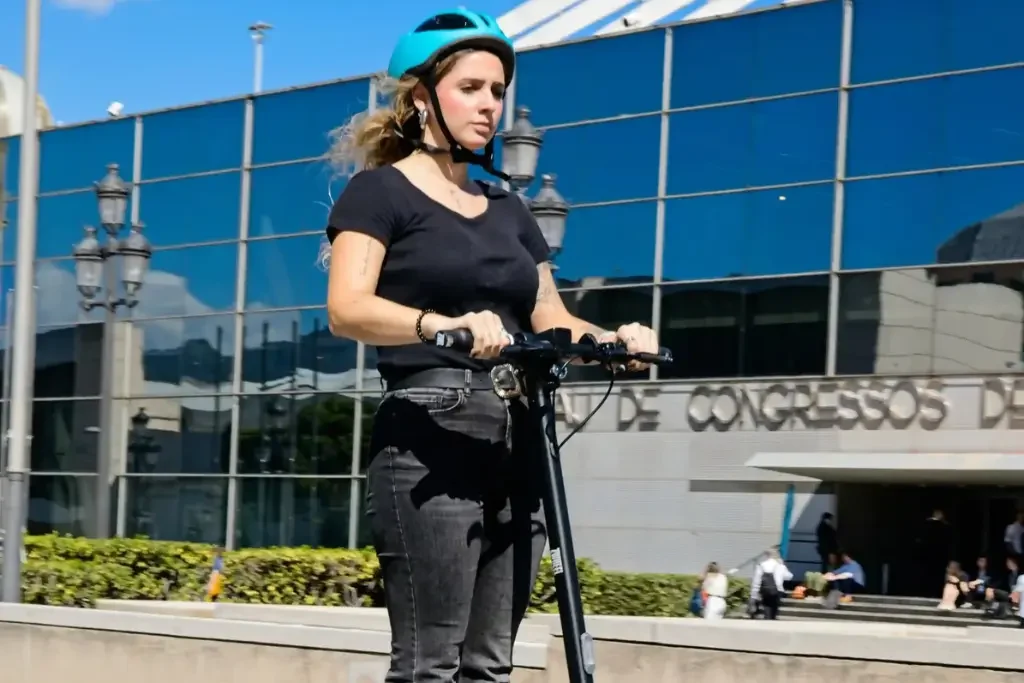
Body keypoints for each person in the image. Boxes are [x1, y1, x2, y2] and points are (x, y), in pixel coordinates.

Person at [321, 9, 660, 682]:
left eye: (497, 90)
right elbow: (347, 307)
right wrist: (438, 325)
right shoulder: (379, 192)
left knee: (489, 665)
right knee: (430, 664)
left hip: (520, 434)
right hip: (429, 434)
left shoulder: (508, 206)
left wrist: (613, 338)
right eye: (471, 87)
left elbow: (549, 314)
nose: (490, 105)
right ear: (423, 98)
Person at [751, 549, 793, 620]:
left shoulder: (761, 565)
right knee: (774, 607)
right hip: (777, 590)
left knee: (766, 606)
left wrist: (754, 594)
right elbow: (789, 576)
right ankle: (772, 619)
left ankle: (767, 618)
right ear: (776, 555)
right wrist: (783, 566)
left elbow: (757, 580)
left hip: (765, 590)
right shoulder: (780, 565)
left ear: (767, 555)